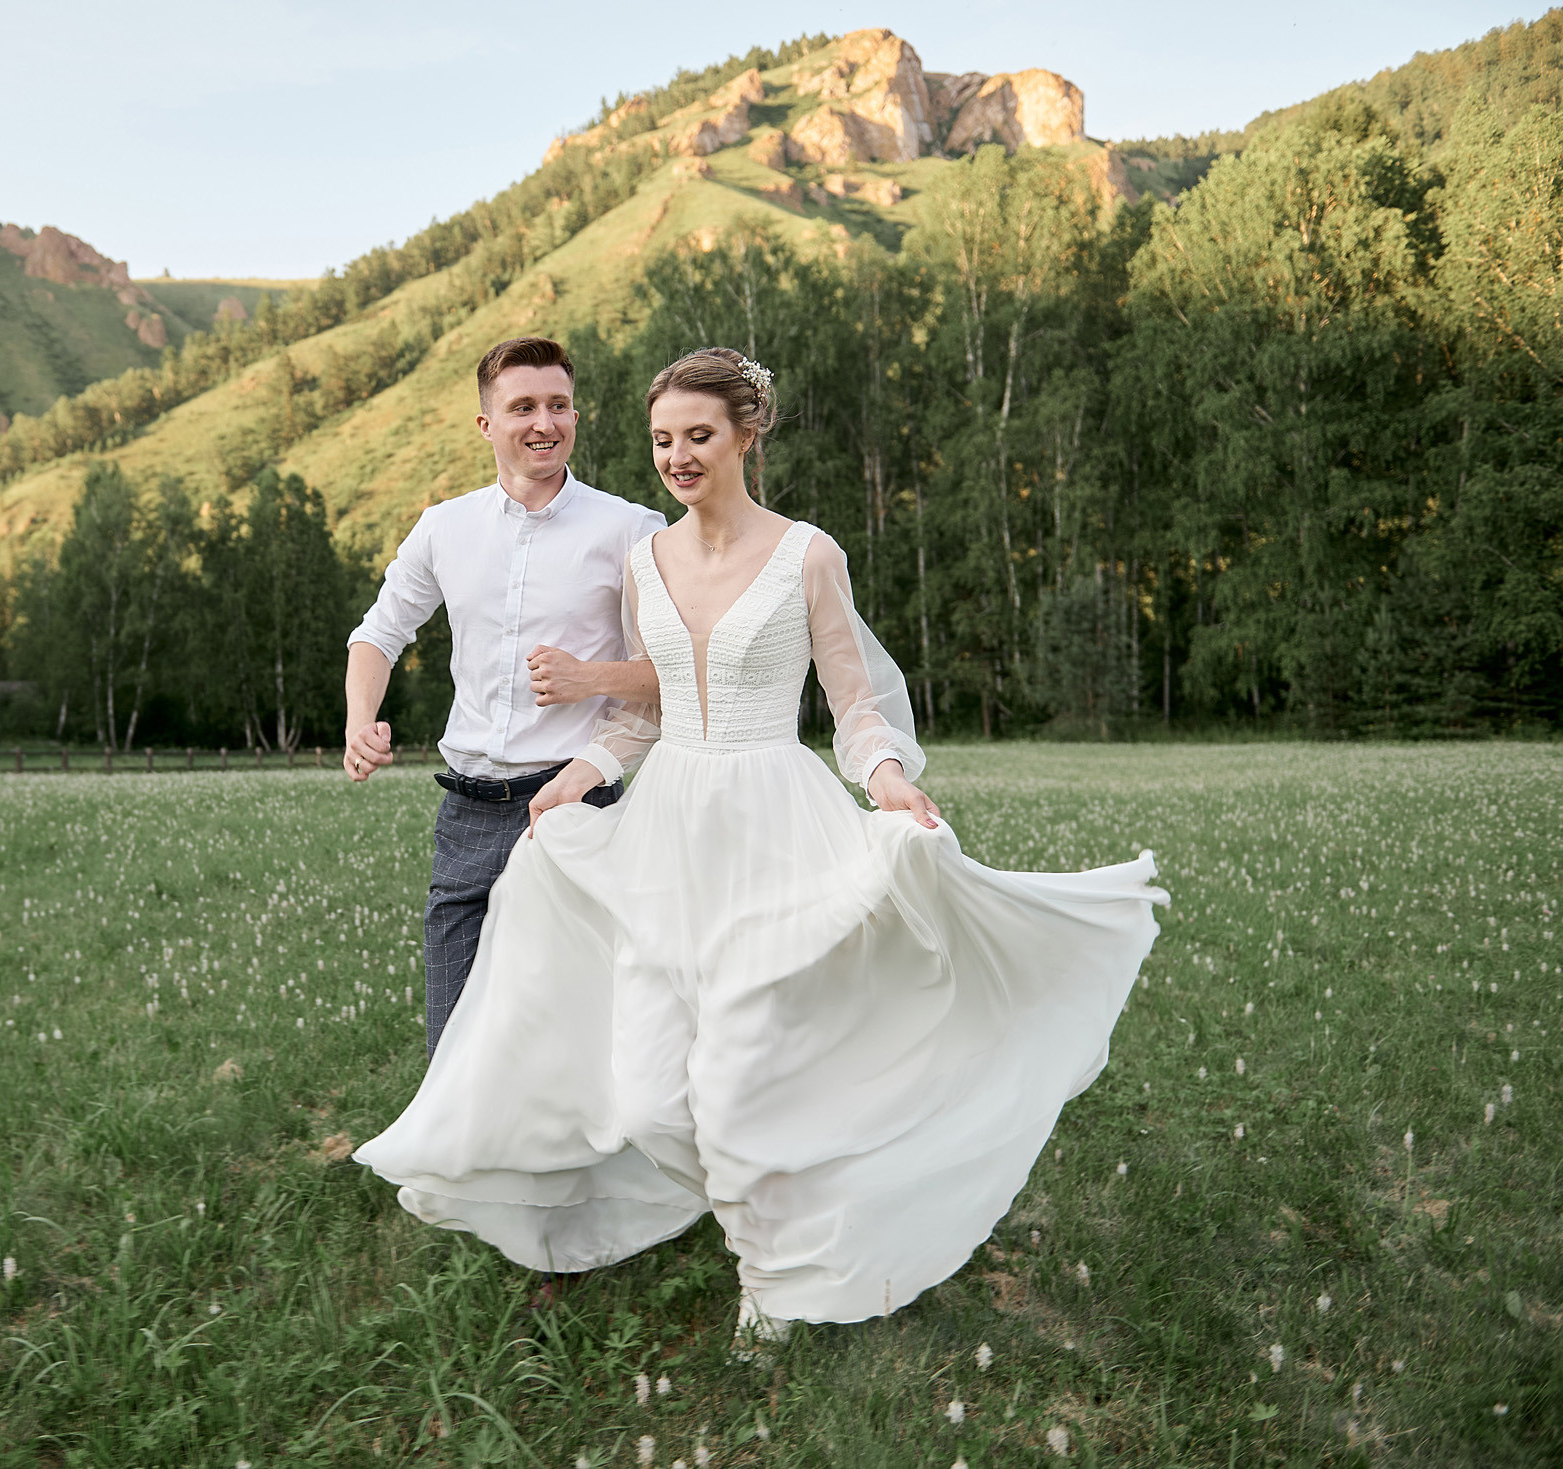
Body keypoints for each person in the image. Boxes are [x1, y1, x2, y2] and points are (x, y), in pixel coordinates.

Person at [354, 348, 1168, 1349]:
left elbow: (854, 699)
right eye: (661, 439)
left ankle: (773, 1274)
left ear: (747, 431)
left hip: (773, 821)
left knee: (740, 1070)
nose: (678, 456)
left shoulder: (808, 555)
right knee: (649, 1094)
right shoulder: (643, 561)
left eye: (699, 434)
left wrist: (886, 777)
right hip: (668, 829)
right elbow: (642, 711)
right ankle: (772, 1189)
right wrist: (579, 776)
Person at [345, 336, 666, 1055]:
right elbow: (378, 632)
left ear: (575, 417)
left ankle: (571, 1167)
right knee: (452, 1044)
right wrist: (358, 720)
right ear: (486, 425)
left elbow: (676, 675)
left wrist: (592, 677)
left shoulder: (632, 531)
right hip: (465, 811)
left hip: (576, 807)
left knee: (573, 1044)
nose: (543, 422)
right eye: (522, 407)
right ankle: (460, 1167)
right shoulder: (443, 528)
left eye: (558, 405)